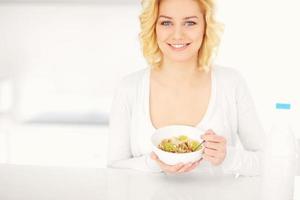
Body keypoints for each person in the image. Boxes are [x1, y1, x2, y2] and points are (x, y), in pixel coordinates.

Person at [107, 0, 265, 176]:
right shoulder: (129, 88)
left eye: (190, 23)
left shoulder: (231, 83)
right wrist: (156, 163)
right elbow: (114, 170)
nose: (177, 35)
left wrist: (228, 157)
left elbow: (268, 162)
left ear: (206, 26)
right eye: (166, 22)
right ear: (153, 27)